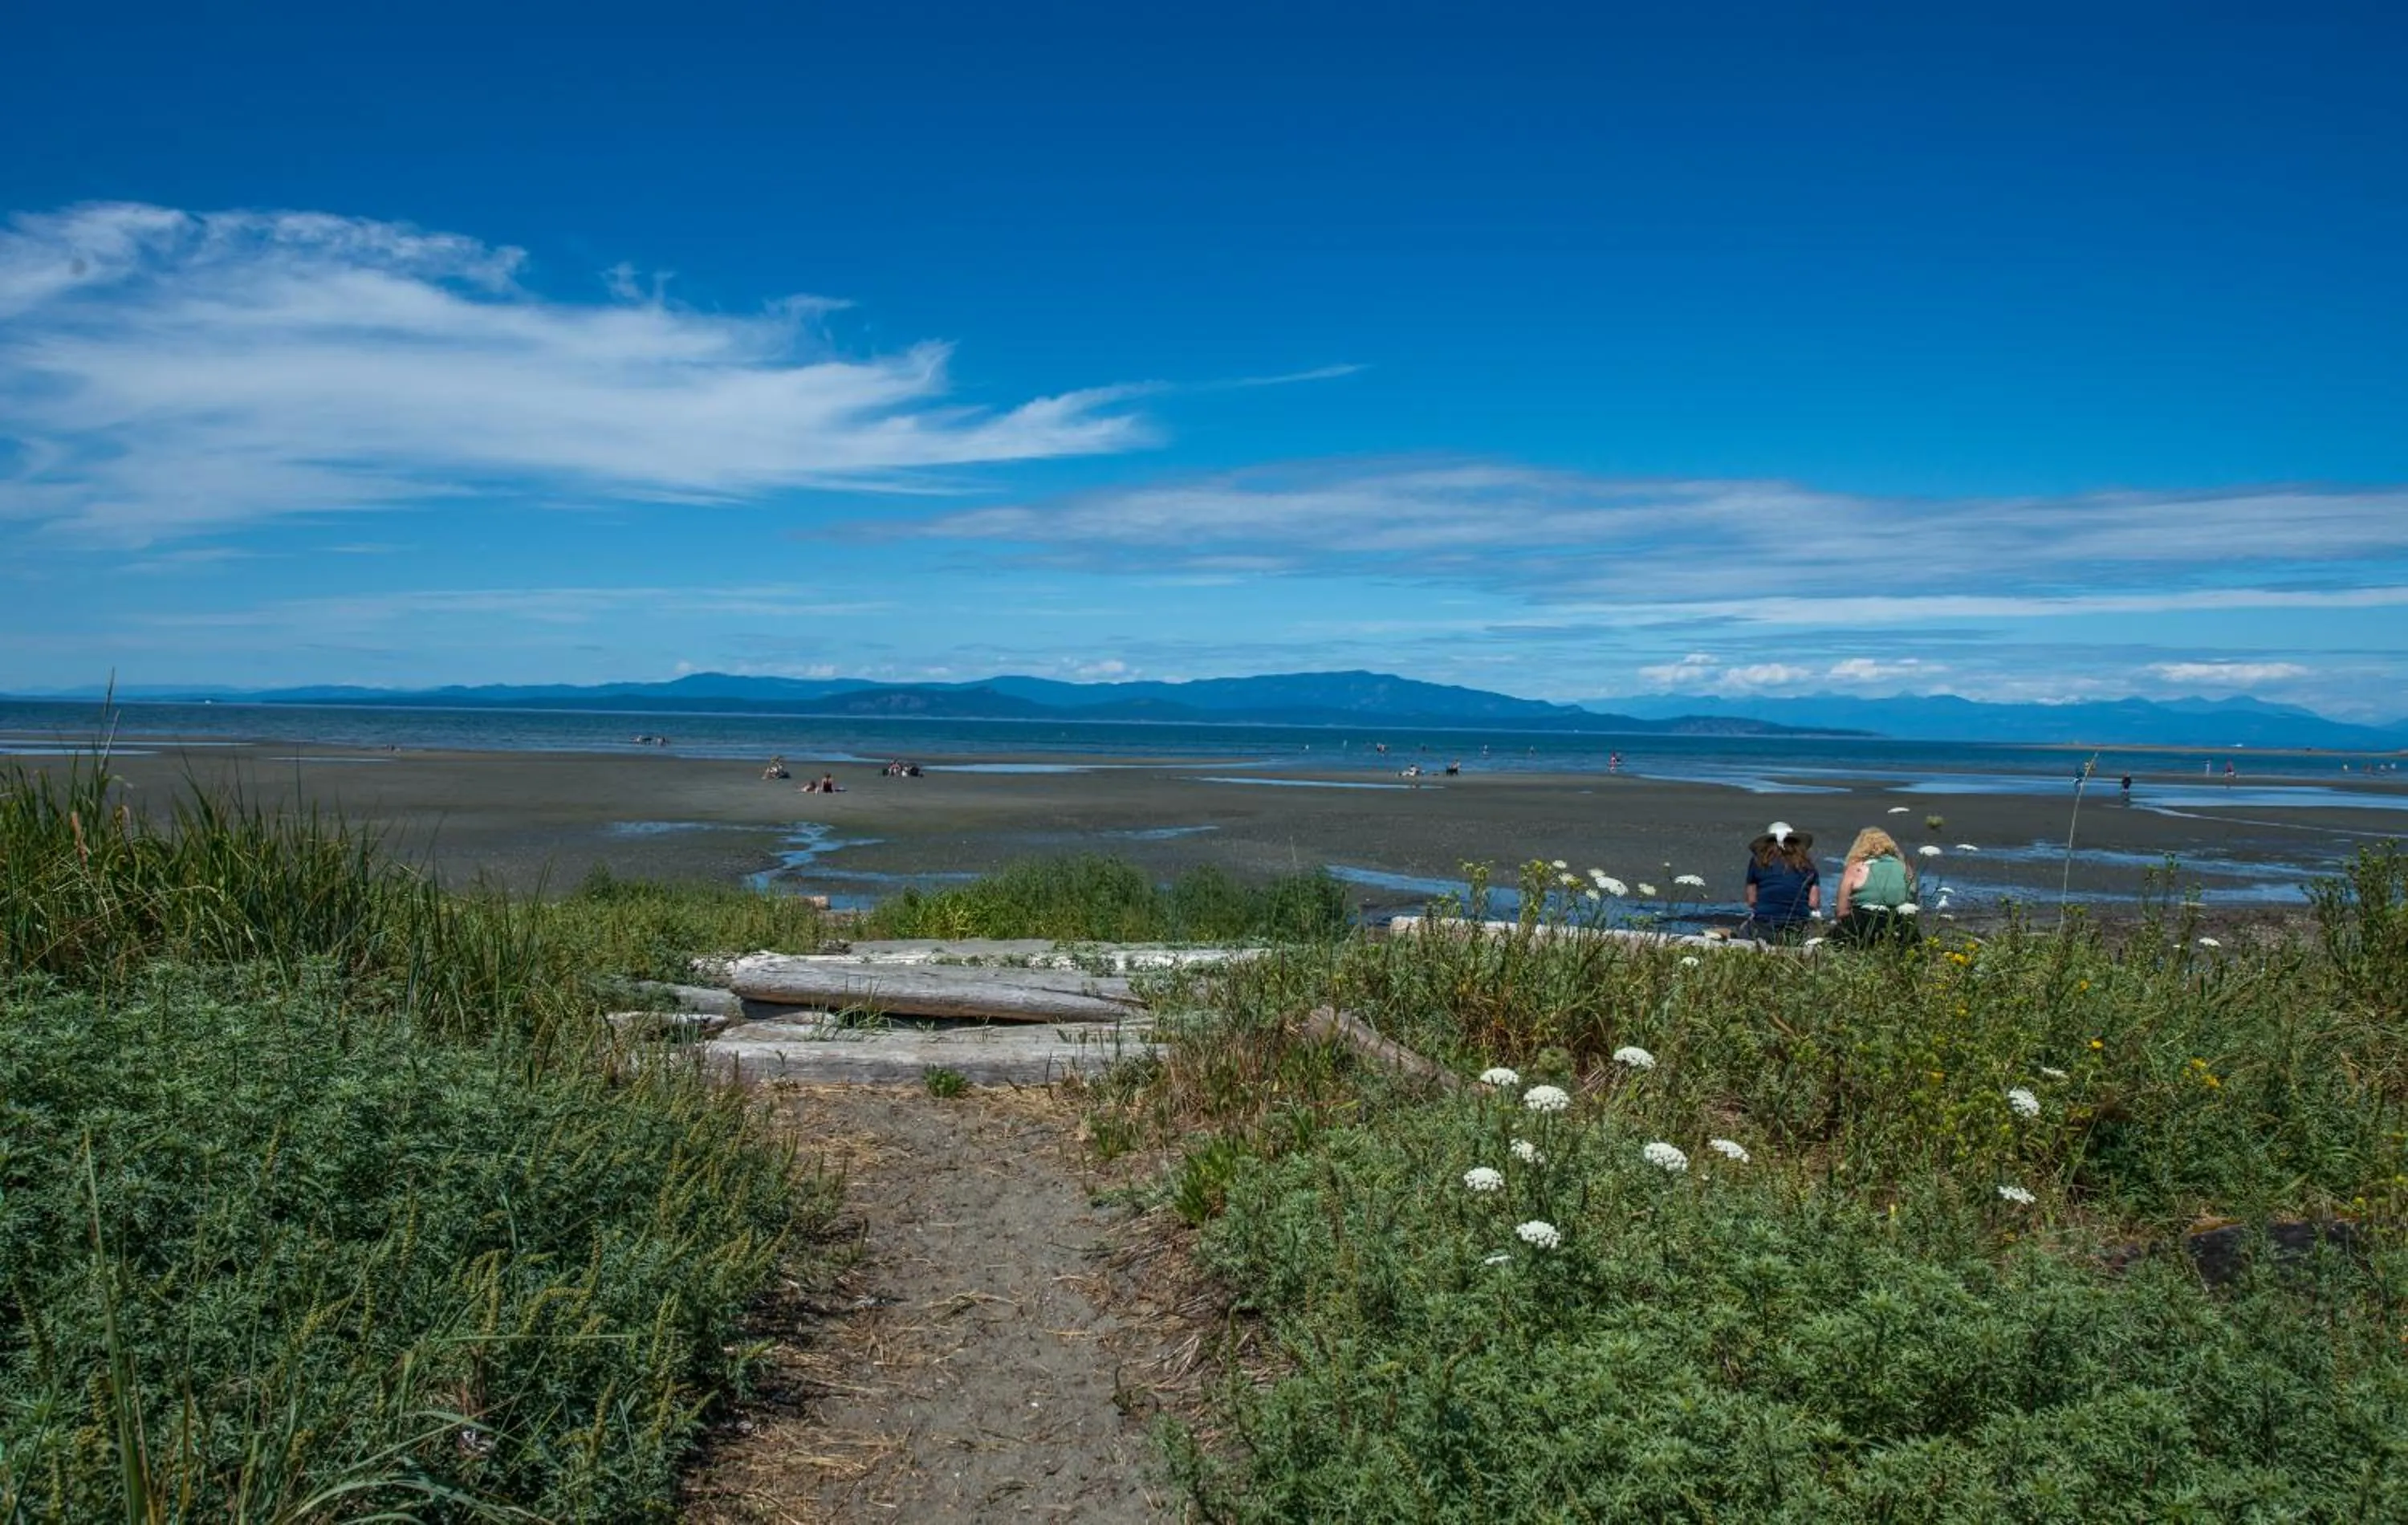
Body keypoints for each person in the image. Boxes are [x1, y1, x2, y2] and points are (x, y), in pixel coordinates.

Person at [1832, 827, 1918, 946]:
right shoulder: (1905, 868)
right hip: (1901, 925)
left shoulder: (1856, 868)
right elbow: (1913, 901)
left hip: (1865, 923)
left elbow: (1842, 911)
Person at [1742, 822, 1819, 941]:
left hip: (1765, 927)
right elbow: (1813, 903)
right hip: (1797, 929)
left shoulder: (1758, 861)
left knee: (1743, 930)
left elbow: (1752, 900)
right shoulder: (1807, 864)